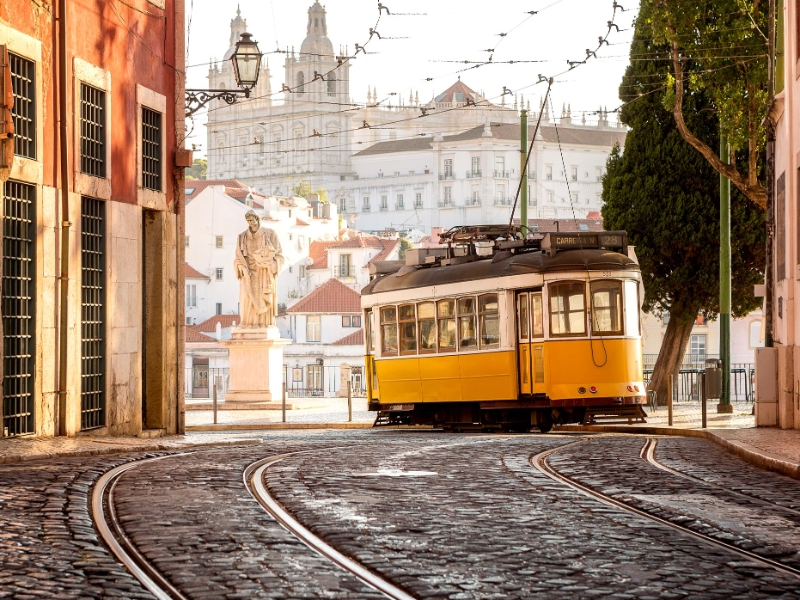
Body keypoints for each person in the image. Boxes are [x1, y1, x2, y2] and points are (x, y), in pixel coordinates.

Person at [233, 210, 284, 328]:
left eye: (251, 220)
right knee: (247, 299)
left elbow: (280, 256)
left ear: (257, 218)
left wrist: (270, 265)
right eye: (248, 221)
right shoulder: (242, 237)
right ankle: (248, 324)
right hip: (248, 274)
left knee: (263, 301)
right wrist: (241, 269)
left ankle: (263, 324)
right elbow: (237, 259)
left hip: (264, 274)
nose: (250, 222)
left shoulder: (270, 234)